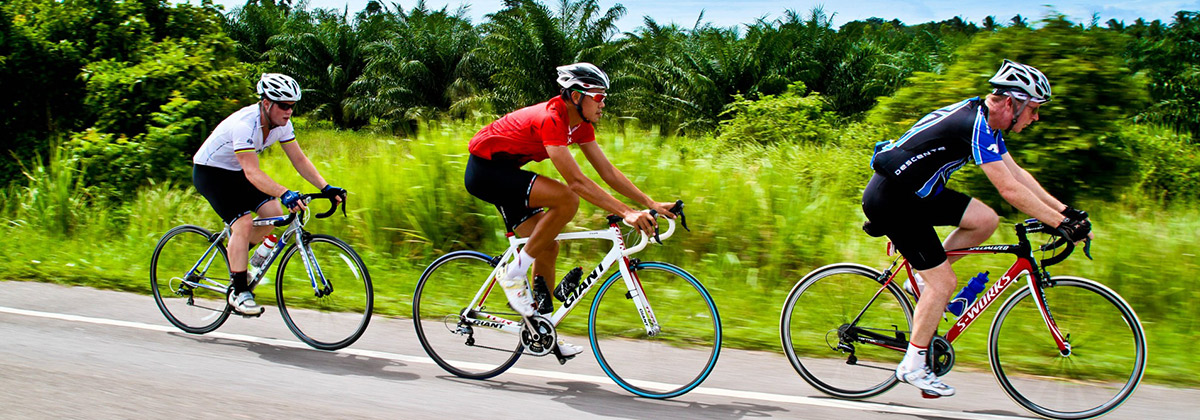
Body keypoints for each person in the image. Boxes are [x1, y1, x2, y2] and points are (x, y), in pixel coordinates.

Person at [862, 60, 1092, 398]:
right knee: (946, 283)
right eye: (1034, 109)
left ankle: (925, 284)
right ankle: (912, 365)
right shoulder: (972, 124)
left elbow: (1018, 176)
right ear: (1012, 103)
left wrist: (1065, 213)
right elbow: (1009, 191)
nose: (1036, 118)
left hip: (918, 192)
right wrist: (1059, 225)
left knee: (985, 220)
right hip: (893, 200)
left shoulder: (987, 123)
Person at [464, 63, 676, 358]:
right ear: (577, 96)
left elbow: (607, 172)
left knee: (548, 247)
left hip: (508, 173)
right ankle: (514, 273)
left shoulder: (581, 125)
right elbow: (576, 182)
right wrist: (627, 213)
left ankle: (539, 331)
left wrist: (650, 204)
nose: (604, 104)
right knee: (566, 199)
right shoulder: (552, 118)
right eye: (599, 97)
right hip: (486, 172)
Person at [192, 73, 346, 315]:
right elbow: (252, 172)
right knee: (242, 223)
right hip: (211, 173)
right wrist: (284, 192)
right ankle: (239, 291)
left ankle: (239, 258)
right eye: (284, 106)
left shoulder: (282, 125)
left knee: (273, 213)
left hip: (237, 172)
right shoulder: (245, 125)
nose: (289, 112)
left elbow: (299, 159)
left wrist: (326, 187)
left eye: (292, 106)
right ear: (266, 103)